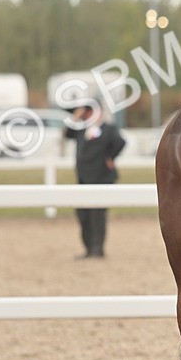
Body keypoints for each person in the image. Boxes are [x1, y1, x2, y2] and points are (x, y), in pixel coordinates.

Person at [64, 104, 126, 258]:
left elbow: (120, 143)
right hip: (83, 178)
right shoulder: (81, 128)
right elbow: (68, 134)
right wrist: (75, 118)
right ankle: (89, 247)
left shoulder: (108, 128)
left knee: (98, 215)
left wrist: (110, 157)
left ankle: (98, 248)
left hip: (101, 178)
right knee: (82, 214)